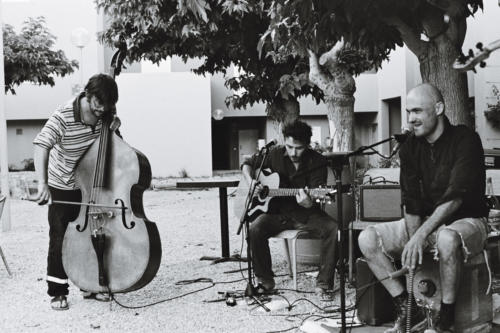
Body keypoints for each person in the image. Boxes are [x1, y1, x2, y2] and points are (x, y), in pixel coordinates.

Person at [358, 83, 489, 333]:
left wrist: (419, 236)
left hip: (468, 220)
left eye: (417, 111)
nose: (410, 119)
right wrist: (413, 237)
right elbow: (411, 200)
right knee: (367, 239)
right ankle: (409, 309)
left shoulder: (466, 139)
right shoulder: (410, 147)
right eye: (408, 112)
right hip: (427, 222)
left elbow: (456, 197)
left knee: (448, 238)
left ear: (438, 108)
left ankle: (446, 320)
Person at [32, 73, 120, 310]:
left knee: (94, 234)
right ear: (88, 96)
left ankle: (90, 283)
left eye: (108, 105)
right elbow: (41, 145)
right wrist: (43, 184)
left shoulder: (106, 113)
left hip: (91, 183)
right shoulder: (64, 115)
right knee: (60, 237)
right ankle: (58, 292)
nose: (102, 109)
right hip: (63, 182)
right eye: (98, 104)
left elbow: (115, 148)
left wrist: (115, 131)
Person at [241, 119, 339, 300]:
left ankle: (323, 284)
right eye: (289, 146)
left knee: (332, 228)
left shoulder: (318, 161)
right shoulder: (274, 154)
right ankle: (265, 281)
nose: (293, 152)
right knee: (255, 228)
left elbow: (316, 199)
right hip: (277, 213)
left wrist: (309, 203)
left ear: (308, 144)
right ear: (284, 141)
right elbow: (248, 163)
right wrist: (251, 181)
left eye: (299, 148)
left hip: (306, 213)